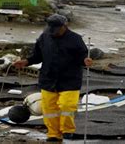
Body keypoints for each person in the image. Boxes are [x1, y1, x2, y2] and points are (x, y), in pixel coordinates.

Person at [13, 14, 93, 142]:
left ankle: (67, 130)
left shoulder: (75, 39)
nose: (53, 32)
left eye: (55, 29)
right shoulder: (44, 37)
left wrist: (86, 61)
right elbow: (37, 56)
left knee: (67, 106)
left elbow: (82, 56)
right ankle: (53, 134)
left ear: (64, 26)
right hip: (48, 79)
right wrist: (26, 62)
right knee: (49, 109)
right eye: (51, 29)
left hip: (70, 80)